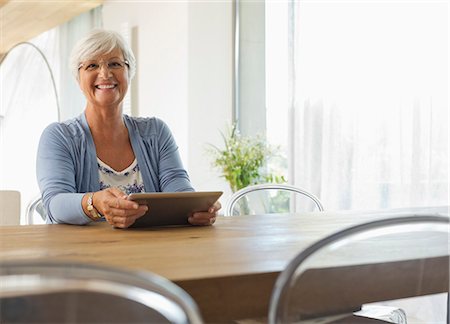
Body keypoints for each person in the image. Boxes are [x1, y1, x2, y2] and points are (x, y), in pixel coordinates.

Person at [36, 29, 220, 228]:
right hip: (81, 255)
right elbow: (55, 204)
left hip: (151, 253)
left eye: (114, 64)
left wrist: (196, 208)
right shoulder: (59, 136)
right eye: (92, 65)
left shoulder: (156, 132)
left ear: (129, 72)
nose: (105, 73)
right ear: (78, 79)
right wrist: (95, 202)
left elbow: (178, 187)